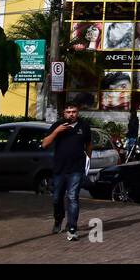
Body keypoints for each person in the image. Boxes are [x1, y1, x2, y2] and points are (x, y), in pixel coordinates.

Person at [41, 103, 92, 241]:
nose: (71, 114)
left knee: (72, 197)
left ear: (78, 112)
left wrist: (88, 160)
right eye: (68, 111)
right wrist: (57, 131)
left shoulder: (84, 126)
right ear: (64, 113)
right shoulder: (58, 126)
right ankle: (58, 220)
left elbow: (88, 144)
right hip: (59, 169)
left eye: (74, 111)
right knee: (57, 198)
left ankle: (72, 228)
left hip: (76, 168)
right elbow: (45, 144)